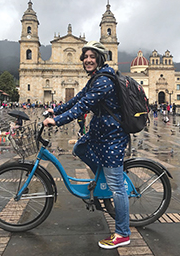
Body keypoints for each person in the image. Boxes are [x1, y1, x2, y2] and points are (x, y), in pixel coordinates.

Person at [43, 41, 131, 249]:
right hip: (99, 132)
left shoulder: (104, 80)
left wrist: (57, 121)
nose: (88, 60)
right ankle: (101, 179)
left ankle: (123, 233)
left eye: (92, 56)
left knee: (117, 187)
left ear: (100, 58)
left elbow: (83, 106)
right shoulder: (95, 79)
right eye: (86, 57)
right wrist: (55, 110)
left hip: (112, 136)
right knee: (79, 148)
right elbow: (78, 98)